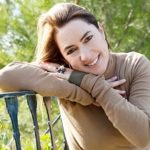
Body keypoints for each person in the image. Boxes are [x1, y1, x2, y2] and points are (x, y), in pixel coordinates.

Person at [0, 2, 150, 150]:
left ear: (101, 31)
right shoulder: (63, 75)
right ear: (63, 59)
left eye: (88, 38)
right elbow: (5, 78)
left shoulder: (134, 64)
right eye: (71, 50)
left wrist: (97, 88)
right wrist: (87, 88)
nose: (85, 56)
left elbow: (143, 137)